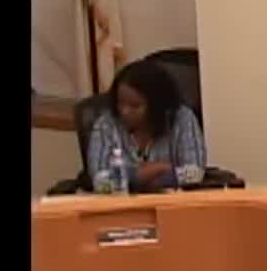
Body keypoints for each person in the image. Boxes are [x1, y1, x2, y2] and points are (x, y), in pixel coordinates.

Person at [87, 58, 207, 192]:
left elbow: (195, 173)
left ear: (156, 104)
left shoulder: (182, 118)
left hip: (172, 201)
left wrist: (160, 180)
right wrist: (142, 174)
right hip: (120, 202)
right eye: (120, 103)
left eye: (135, 106)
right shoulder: (106, 124)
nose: (125, 111)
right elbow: (100, 181)